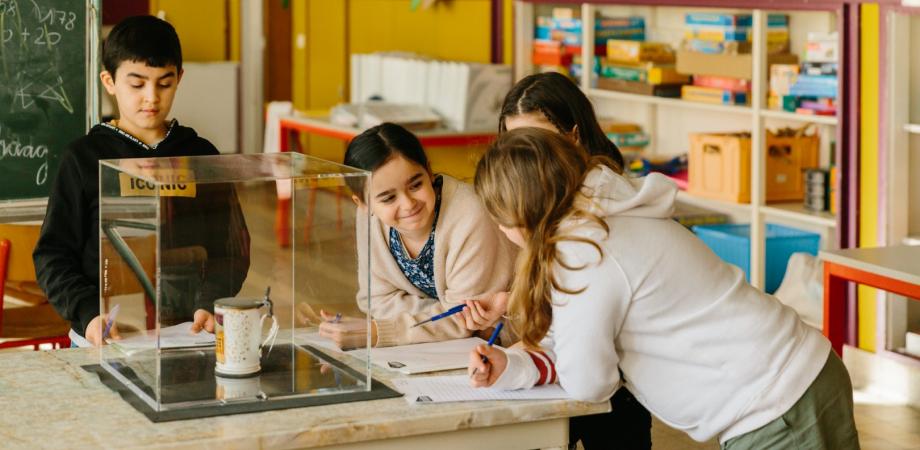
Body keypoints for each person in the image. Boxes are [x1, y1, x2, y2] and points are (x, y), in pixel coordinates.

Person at [469, 128, 859, 449]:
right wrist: (514, 366)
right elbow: (571, 343)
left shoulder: (583, 253)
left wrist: (551, 357)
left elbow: (590, 382)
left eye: (502, 220)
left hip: (776, 404)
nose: (503, 231)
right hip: (799, 376)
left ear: (526, 214)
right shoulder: (605, 212)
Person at [458, 71, 650, 450]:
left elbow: (578, 312)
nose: (526, 157)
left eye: (537, 141)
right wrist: (512, 307)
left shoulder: (596, 218)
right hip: (563, 362)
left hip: (614, 378)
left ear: (573, 136)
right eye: (514, 142)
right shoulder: (532, 206)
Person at [33, 16, 250, 346]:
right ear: (109, 81)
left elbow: (231, 248)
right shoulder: (83, 158)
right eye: (137, 84)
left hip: (189, 330)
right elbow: (53, 255)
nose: (151, 98)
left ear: (180, 78)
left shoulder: (200, 154)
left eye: (164, 83)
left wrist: (209, 302)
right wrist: (89, 312)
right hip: (106, 333)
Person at [315, 122, 516, 349]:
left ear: (429, 172)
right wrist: (438, 314)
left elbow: (468, 319)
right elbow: (374, 300)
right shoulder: (371, 220)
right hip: (441, 346)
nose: (408, 204)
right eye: (388, 198)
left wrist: (379, 330)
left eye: (416, 185)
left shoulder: (471, 214)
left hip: (507, 343)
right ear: (362, 204)